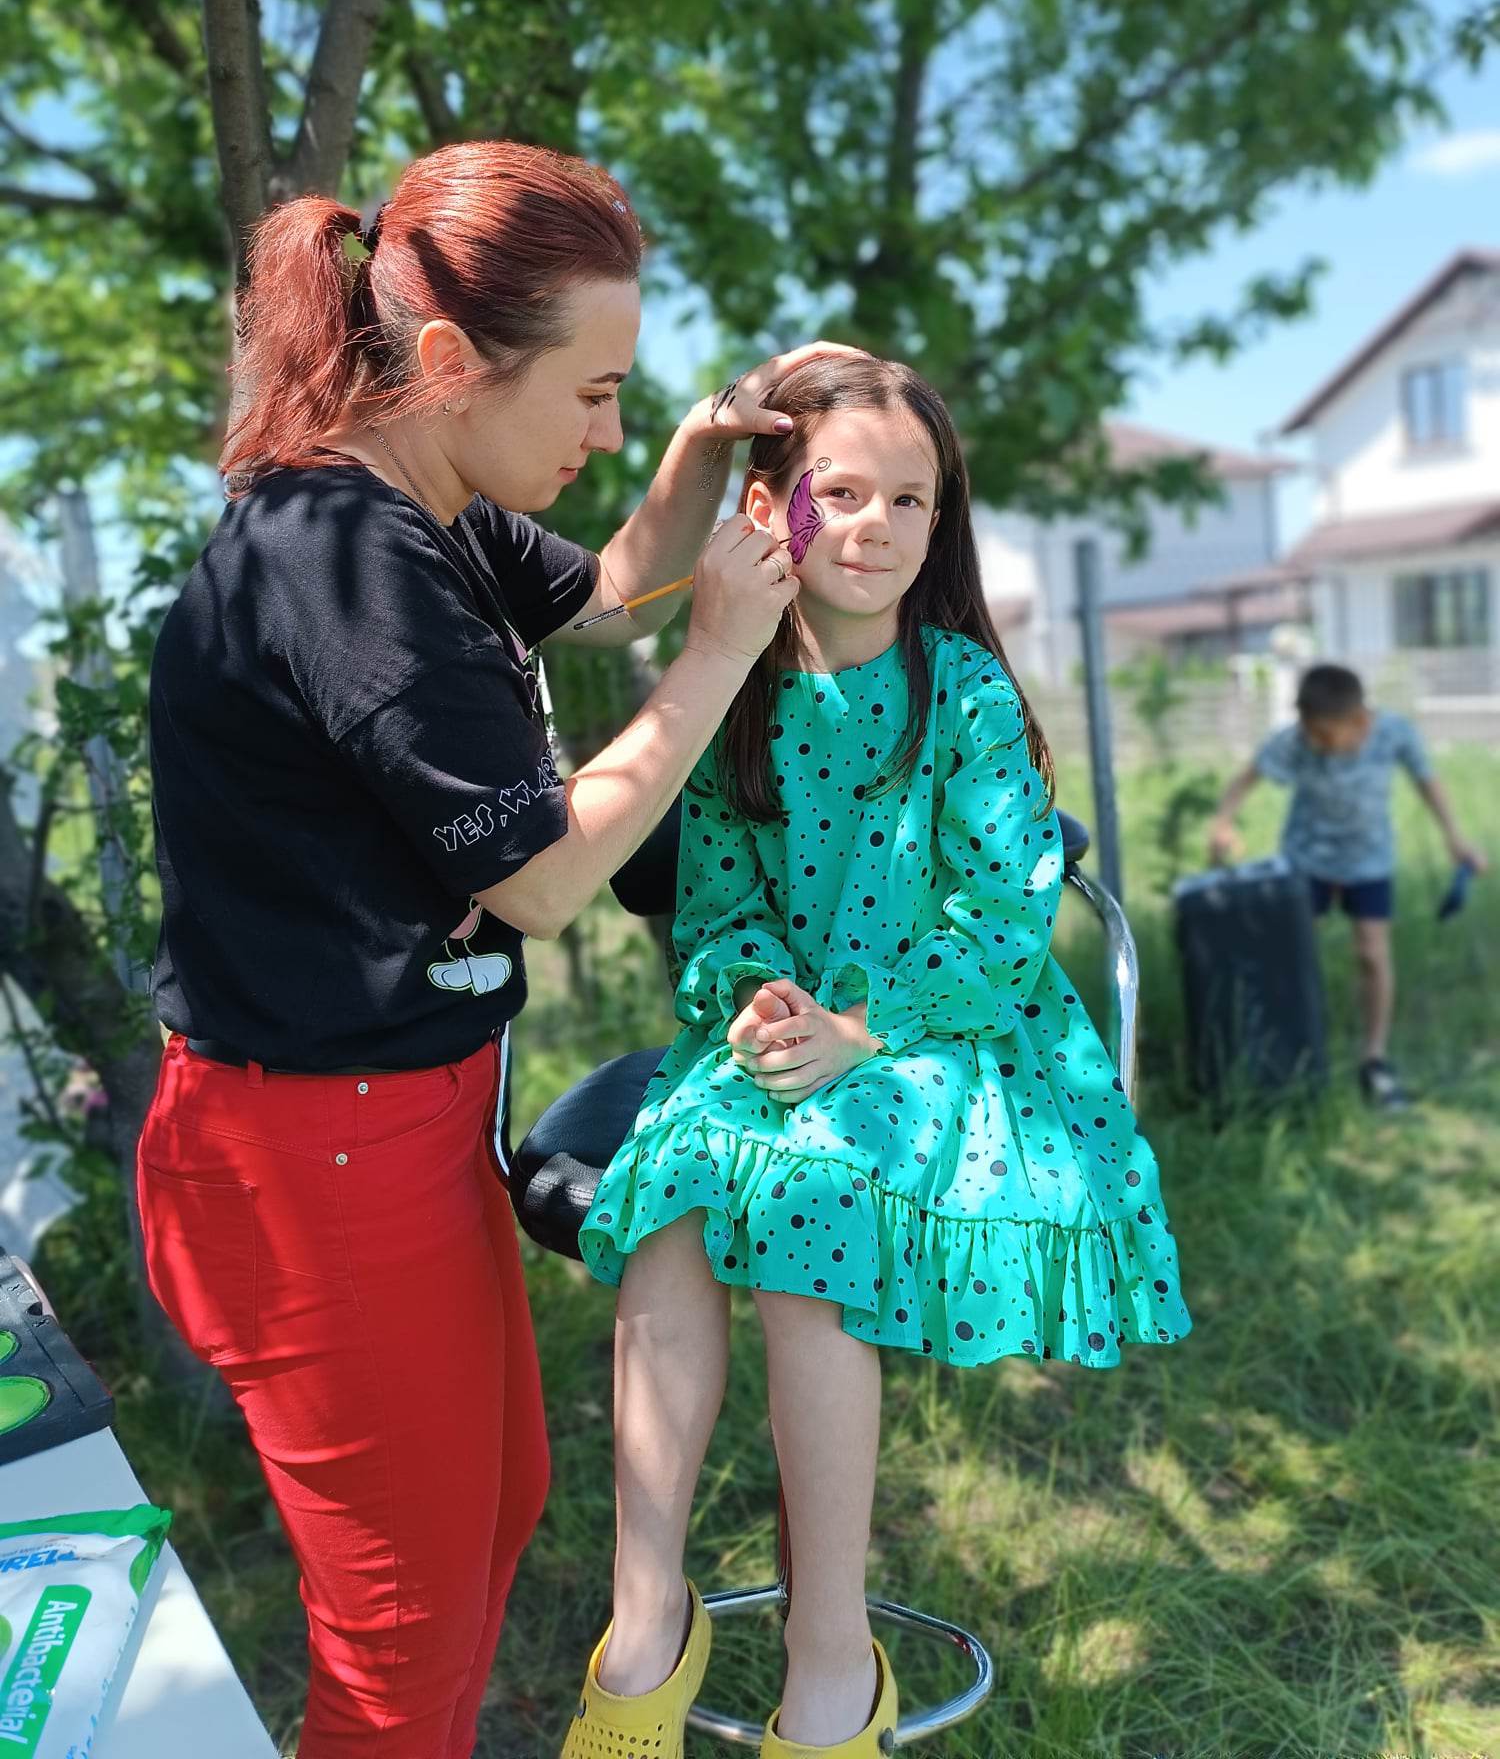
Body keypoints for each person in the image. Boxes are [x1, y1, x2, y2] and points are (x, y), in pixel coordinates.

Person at [138, 135, 859, 1757]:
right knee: (399, 1647)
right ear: (455, 361)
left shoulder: (433, 510)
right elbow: (540, 880)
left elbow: (608, 592)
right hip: (304, 1166)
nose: (605, 433)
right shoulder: (346, 568)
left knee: (498, 1505)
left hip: (395, 1125)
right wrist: (724, 651)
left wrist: (696, 452)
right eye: (592, 394)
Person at [565, 358, 1192, 1759]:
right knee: (670, 1201)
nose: (876, 525)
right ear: (769, 511)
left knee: (813, 1216)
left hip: (945, 1033)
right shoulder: (738, 690)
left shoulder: (961, 691)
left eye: (911, 499)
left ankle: (832, 1652)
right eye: (840, 492)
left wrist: (860, 1029)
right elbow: (719, 898)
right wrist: (753, 997)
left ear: (940, 521)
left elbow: (1005, 918)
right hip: (784, 1031)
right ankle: (647, 1614)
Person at [1209, 661, 1486, 1111]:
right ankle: (1294, 1049)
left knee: (1372, 953)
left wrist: (1455, 838)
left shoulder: (1394, 732)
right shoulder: (1296, 740)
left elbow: (1428, 782)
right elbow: (1244, 780)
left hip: (1369, 862)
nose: (1315, 742)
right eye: (1309, 732)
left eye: (1324, 734)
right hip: (1307, 861)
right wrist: (1223, 823)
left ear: (1358, 720)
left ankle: (1374, 1059)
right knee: (1294, 956)